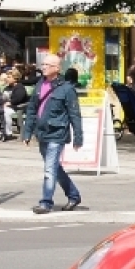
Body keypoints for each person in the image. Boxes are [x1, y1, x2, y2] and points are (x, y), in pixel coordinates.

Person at [22, 53, 83, 214]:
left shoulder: (67, 89)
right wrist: (27, 133)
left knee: (49, 168)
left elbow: (75, 114)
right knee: (54, 167)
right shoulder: (39, 85)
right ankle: (73, 195)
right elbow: (32, 110)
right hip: (42, 132)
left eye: (47, 65)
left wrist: (78, 137)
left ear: (57, 69)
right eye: (43, 64)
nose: (43, 67)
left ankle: (46, 203)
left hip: (57, 133)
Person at [3, 67, 29, 139]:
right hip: (8, 107)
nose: (7, 78)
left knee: (5, 112)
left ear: (15, 78)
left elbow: (18, 98)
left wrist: (10, 102)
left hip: (18, 108)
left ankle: (8, 133)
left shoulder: (19, 87)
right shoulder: (7, 87)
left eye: (9, 77)